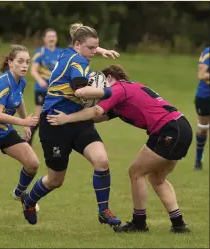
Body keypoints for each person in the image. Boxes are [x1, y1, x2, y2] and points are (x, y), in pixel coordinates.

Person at [47, 65, 193, 233]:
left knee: (136, 172)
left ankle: (139, 223)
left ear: (109, 78)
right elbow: (97, 117)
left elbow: (96, 110)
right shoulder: (126, 91)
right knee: (157, 178)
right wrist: (70, 114)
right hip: (179, 126)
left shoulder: (118, 88)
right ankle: (179, 224)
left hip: (169, 130)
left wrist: (66, 119)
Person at [20, 24, 121, 227]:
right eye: (91, 48)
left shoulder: (70, 52)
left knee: (101, 161)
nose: (94, 52)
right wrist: (111, 92)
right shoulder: (76, 62)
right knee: (55, 180)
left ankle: (104, 211)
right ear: (77, 45)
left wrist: (102, 50)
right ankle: (29, 200)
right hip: (54, 122)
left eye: (96, 48)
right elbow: (81, 92)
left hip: (78, 120)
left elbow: (83, 37)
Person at [29, 25, 120, 146]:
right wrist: (107, 91)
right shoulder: (43, 53)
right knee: (39, 117)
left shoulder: (63, 51)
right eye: (49, 36)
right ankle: (29, 139)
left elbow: (86, 47)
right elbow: (80, 91)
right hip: (44, 90)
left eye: (53, 36)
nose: (51, 39)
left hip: (61, 96)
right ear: (44, 38)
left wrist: (102, 51)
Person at [0, 45, 40, 208]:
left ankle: (19, 194)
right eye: (20, 61)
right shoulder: (3, 83)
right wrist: (23, 122)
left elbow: (19, 101)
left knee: (32, 163)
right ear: (10, 63)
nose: (25, 65)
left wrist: (25, 122)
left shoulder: (21, 81)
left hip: (4, 131)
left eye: (27, 62)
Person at [194, 46, 210, 170]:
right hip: (205, 96)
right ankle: (198, 160)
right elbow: (201, 74)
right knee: (203, 129)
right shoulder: (208, 53)